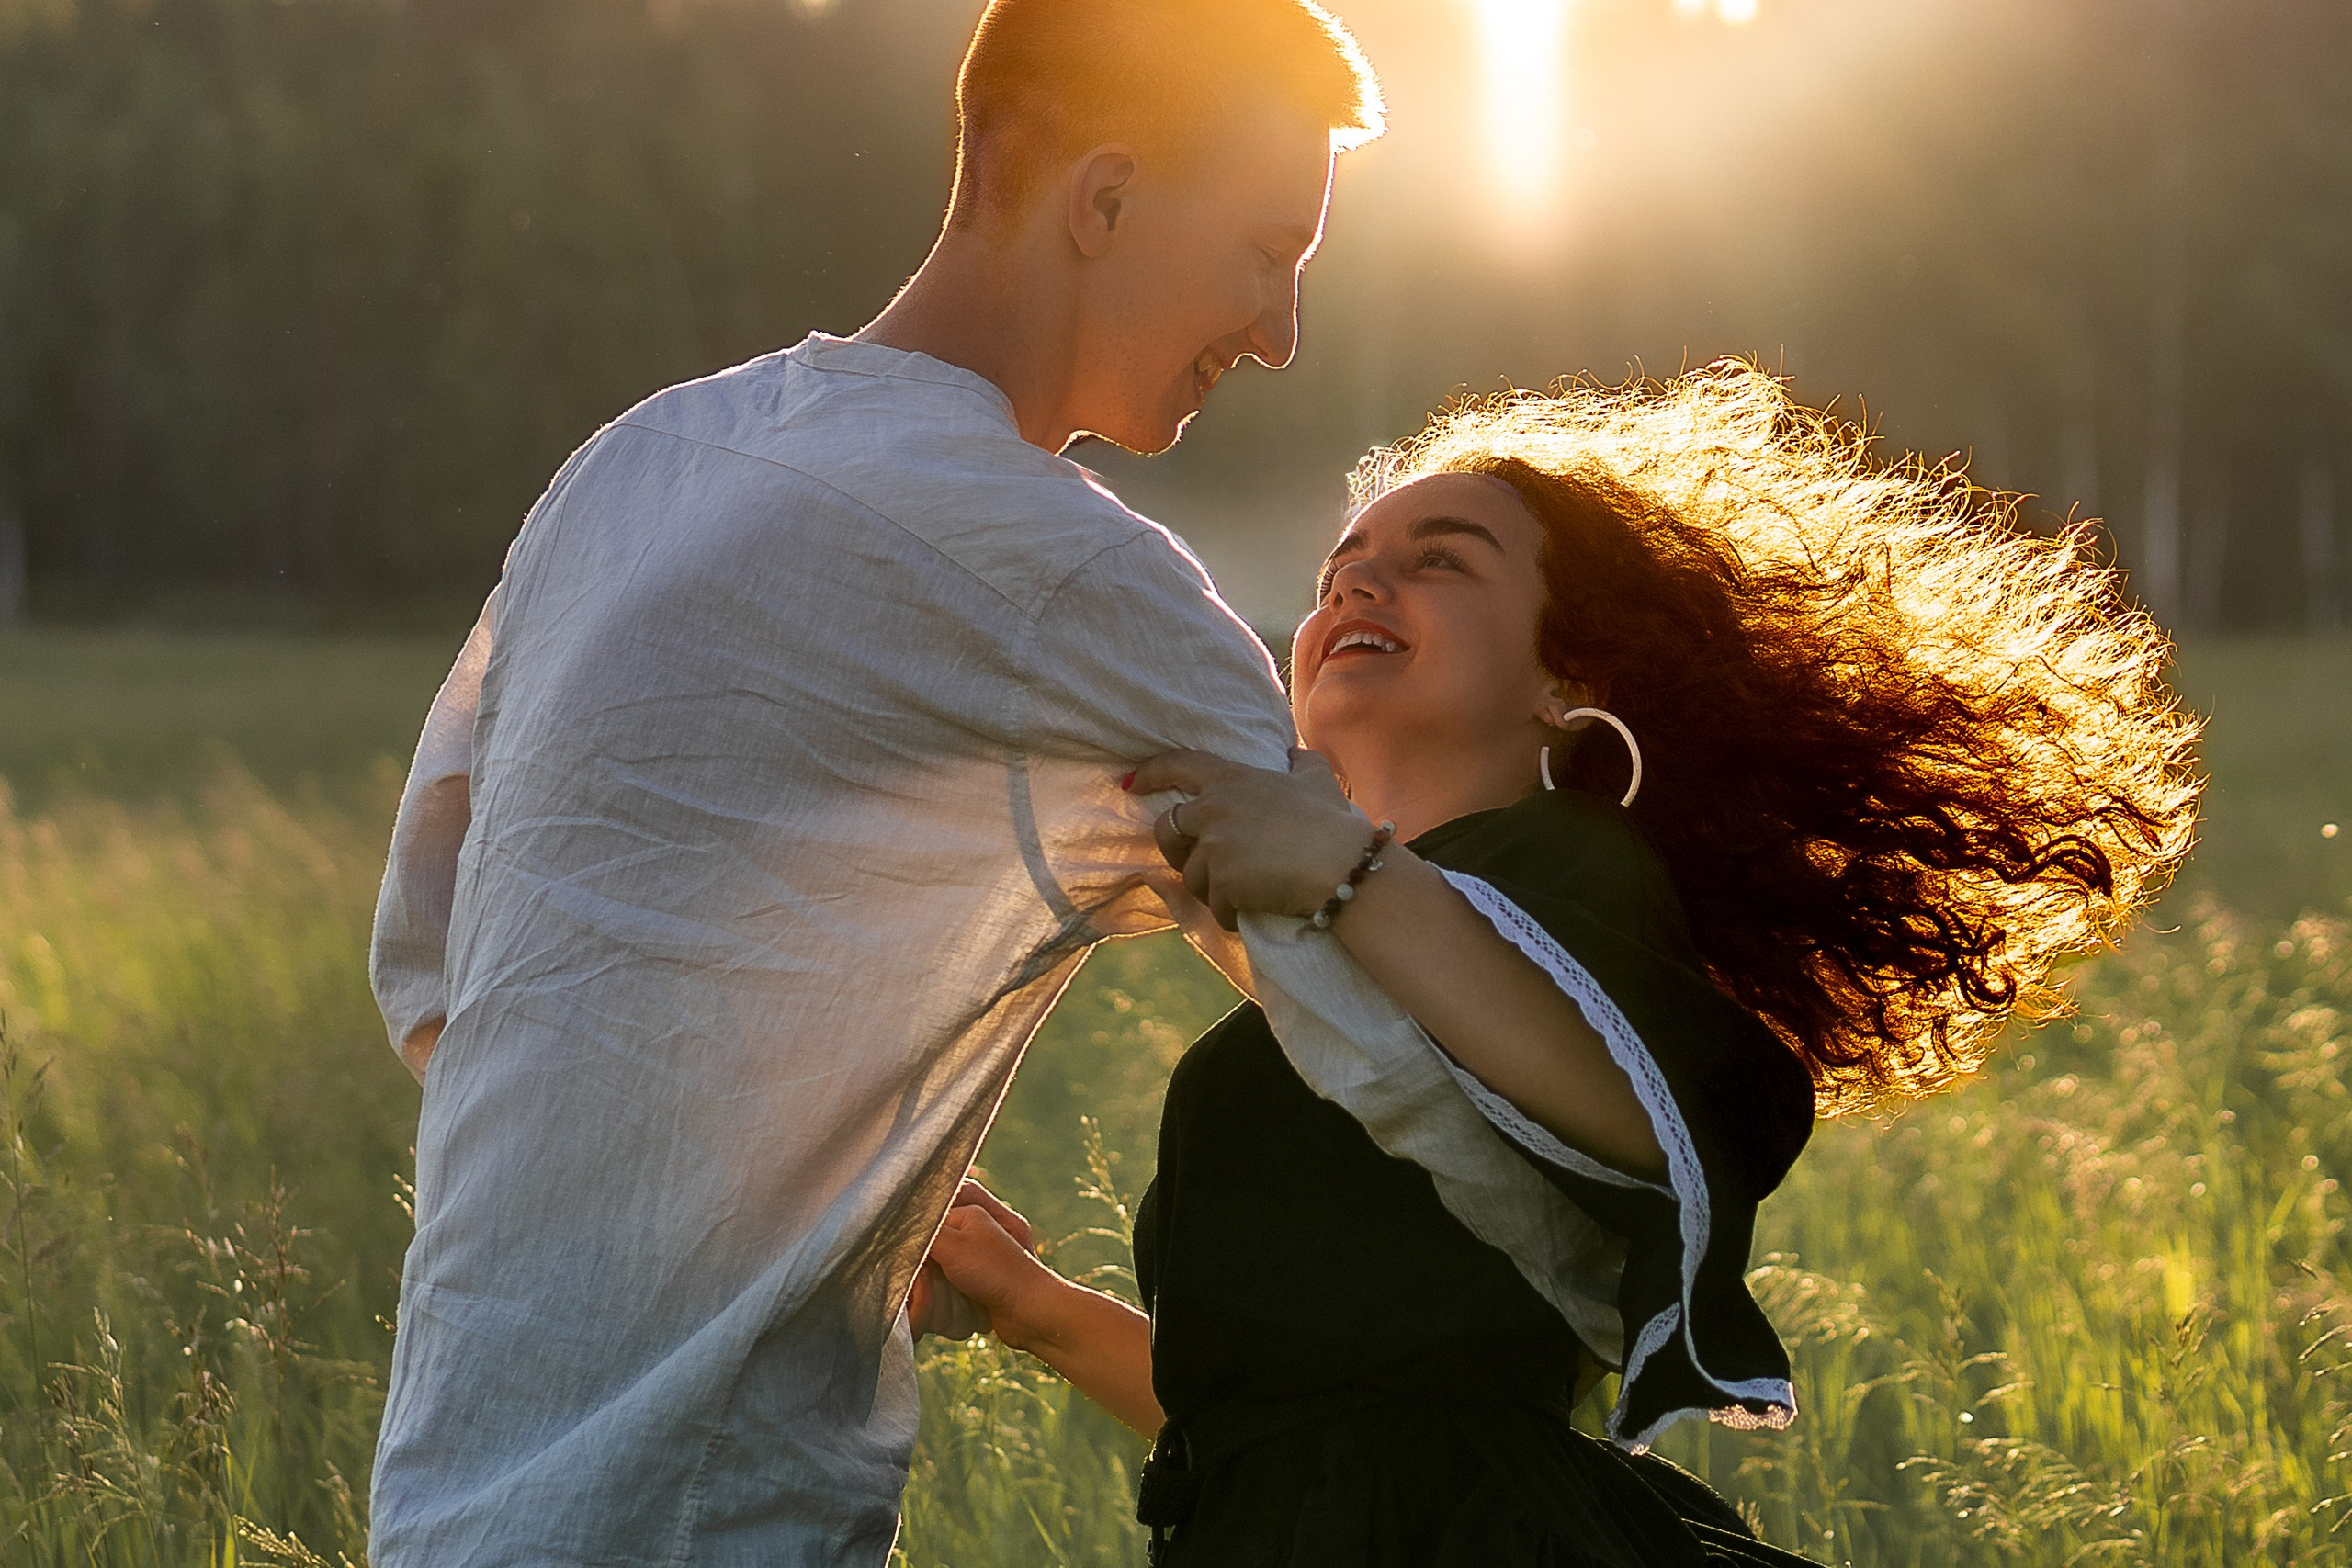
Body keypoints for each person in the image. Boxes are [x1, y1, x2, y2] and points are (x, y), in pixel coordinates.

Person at [365, 3, 1396, 1562]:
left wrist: (745, 1174)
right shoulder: (1073, 582)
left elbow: (437, 972)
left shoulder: (639, 463)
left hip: (448, 1495)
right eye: (1271, 250)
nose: (1280, 331)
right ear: (1103, 203)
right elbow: (1390, 1007)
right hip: (707, 1522)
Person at [919, 366, 2202, 1564]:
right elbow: (1273, 1429)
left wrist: (1346, 871)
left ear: (1565, 679)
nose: (1359, 590)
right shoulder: (1343, 977)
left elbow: (1655, 1120)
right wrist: (1025, 1303)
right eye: (1339, 571)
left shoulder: (1570, 874)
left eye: (1440, 563)